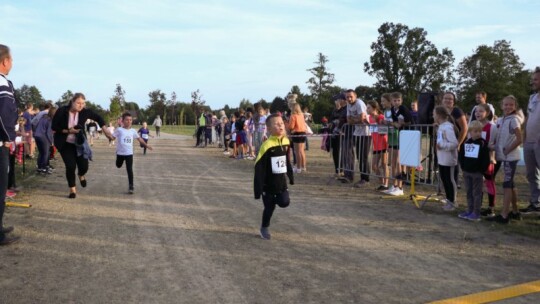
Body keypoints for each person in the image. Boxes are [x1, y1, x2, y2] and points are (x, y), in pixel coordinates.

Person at [51, 93, 113, 198]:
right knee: (70, 166)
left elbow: (98, 118)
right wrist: (68, 131)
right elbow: (54, 126)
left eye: (83, 103)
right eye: (78, 103)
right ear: (72, 102)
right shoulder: (62, 111)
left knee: (84, 166)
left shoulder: (85, 112)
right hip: (65, 143)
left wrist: (105, 130)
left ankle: (81, 174)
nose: (81, 105)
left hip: (79, 143)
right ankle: (72, 190)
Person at [254, 113, 294, 240]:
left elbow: (286, 160)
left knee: (284, 202)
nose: (280, 126)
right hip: (268, 185)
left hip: (281, 183)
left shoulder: (286, 141)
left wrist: (290, 175)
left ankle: (277, 198)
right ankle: (264, 227)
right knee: (269, 209)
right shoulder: (266, 146)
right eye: (276, 124)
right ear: (269, 129)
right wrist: (258, 189)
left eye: (281, 123)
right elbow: (259, 168)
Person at [488, 96, 523, 224]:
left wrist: (508, 149)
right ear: (501, 106)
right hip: (503, 156)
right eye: (506, 105)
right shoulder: (501, 120)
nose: (508, 107)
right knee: (511, 184)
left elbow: (519, 138)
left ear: (515, 106)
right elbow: (499, 137)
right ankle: (515, 211)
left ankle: (504, 215)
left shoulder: (514, 120)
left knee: (507, 184)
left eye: (511, 105)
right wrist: (494, 146)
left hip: (511, 157)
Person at [0, 44, 20, 245]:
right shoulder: (3, 84)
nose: (12, 63)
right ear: (5, 61)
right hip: (0, 144)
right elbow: (4, 115)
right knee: (1, 187)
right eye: (11, 59)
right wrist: (8, 139)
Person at [458, 121, 490, 221]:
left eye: (479, 131)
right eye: (475, 131)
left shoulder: (483, 143)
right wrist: (463, 167)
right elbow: (462, 156)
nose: (477, 133)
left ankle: (476, 212)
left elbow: (486, 159)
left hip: (477, 173)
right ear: (470, 132)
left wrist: (481, 170)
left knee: (476, 193)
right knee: (468, 192)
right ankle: (469, 210)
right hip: (467, 172)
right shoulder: (466, 143)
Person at [112, 112, 152, 194]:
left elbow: (139, 139)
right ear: (122, 121)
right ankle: (119, 162)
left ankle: (131, 186)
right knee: (118, 165)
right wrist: (107, 133)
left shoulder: (133, 131)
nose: (129, 121)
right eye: (127, 120)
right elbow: (112, 137)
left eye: (130, 120)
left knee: (129, 169)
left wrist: (146, 145)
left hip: (129, 153)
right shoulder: (119, 130)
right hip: (120, 153)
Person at [520, 67, 540, 214]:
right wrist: (524, 137)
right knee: (531, 174)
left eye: (536, 79)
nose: (532, 82)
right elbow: (528, 118)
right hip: (529, 142)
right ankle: (535, 203)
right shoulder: (532, 98)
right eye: (533, 79)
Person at [384, 92, 412, 196]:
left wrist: (400, 124)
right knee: (395, 161)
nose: (396, 102)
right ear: (391, 101)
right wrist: (392, 123)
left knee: (399, 162)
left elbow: (409, 122)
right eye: (394, 100)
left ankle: (400, 187)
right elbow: (395, 123)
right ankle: (395, 185)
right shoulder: (392, 110)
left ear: (401, 101)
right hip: (398, 135)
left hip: (407, 135)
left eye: (398, 100)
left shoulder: (403, 109)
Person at [434, 106, 459, 211]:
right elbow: (441, 139)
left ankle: (453, 201)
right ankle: (449, 200)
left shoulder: (448, 127)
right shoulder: (441, 126)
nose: (433, 116)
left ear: (439, 115)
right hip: (442, 159)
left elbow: (454, 143)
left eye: (434, 114)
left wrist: (442, 146)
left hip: (449, 160)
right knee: (444, 179)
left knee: (450, 180)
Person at [474, 104, 498, 217]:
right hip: (477, 160)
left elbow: (496, 143)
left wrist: (490, 148)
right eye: (476, 111)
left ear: (487, 113)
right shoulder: (474, 125)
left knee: (489, 182)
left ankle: (491, 208)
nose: (477, 113)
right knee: (478, 183)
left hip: (488, 160)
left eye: (481, 111)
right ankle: (477, 206)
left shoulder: (492, 127)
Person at [442, 92, 468, 189]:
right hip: (447, 144)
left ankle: (455, 186)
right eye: (446, 98)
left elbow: (464, 128)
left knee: (456, 165)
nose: (448, 101)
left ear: (453, 101)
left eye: (450, 99)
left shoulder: (457, 111)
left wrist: (459, 143)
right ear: (442, 100)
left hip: (458, 142)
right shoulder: (442, 112)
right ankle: (448, 188)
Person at [367, 100, 388, 191]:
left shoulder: (381, 117)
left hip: (383, 144)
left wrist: (378, 122)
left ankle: (386, 184)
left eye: (369, 108)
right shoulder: (370, 118)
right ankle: (382, 183)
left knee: (384, 164)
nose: (367, 109)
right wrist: (366, 123)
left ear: (374, 108)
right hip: (376, 145)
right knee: (374, 166)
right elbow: (373, 130)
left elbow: (383, 132)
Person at [34, 107, 56, 174]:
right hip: (43, 137)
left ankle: (39, 168)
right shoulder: (50, 120)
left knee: (41, 152)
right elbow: (48, 132)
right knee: (46, 153)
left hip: (37, 135)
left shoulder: (43, 117)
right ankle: (44, 168)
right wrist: (51, 141)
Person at [330, 94, 347, 177]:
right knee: (335, 152)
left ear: (342, 100)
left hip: (342, 134)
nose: (336, 101)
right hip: (334, 134)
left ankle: (342, 170)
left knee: (341, 152)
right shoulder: (334, 110)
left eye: (337, 100)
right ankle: (337, 170)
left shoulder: (345, 109)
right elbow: (332, 119)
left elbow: (343, 120)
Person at [288, 103, 307, 173]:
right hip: (303, 133)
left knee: (297, 152)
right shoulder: (301, 115)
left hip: (297, 133)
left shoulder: (293, 116)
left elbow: (291, 126)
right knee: (302, 151)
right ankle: (303, 166)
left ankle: (298, 168)